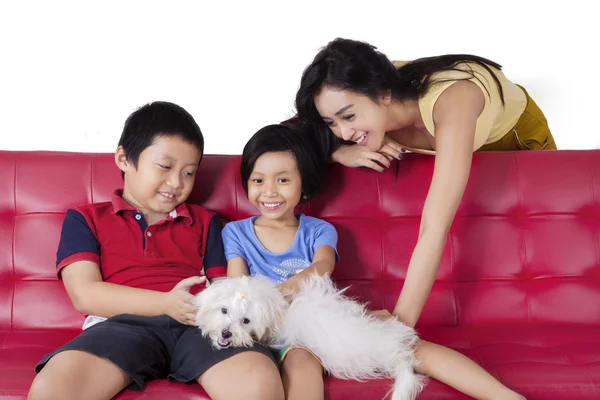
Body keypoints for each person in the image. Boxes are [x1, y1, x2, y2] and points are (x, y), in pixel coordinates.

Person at [224, 124, 525, 400]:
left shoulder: (317, 229)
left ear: (304, 184)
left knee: (408, 345)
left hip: (324, 322)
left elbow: (323, 266)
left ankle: (505, 397)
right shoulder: (236, 232)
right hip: (271, 330)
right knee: (301, 363)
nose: (270, 191)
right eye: (258, 180)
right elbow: (238, 288)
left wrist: (288, 290)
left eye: (283, 180)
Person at [28, 102, 284, 400]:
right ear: (124, 158)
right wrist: (165, 303)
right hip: (121, 325)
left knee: (259, 381)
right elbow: (84, 295)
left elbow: (224, 290)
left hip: (199, 326)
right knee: (53, 389)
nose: (176, 183)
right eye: (165, 167)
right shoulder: (86, 218)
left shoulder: (205, 221)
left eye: (189, 173)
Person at [295, 37, 557, 328]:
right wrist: (337, 151)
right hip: (446, 136)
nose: (342, 131)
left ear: (383, 94)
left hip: (513, 136)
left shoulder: (455, 101)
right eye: (331, 123)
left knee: (538, 241)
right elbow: (285, 135)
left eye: (349, 117)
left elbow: (435, 226)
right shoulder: (359, 97)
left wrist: (399, 325)